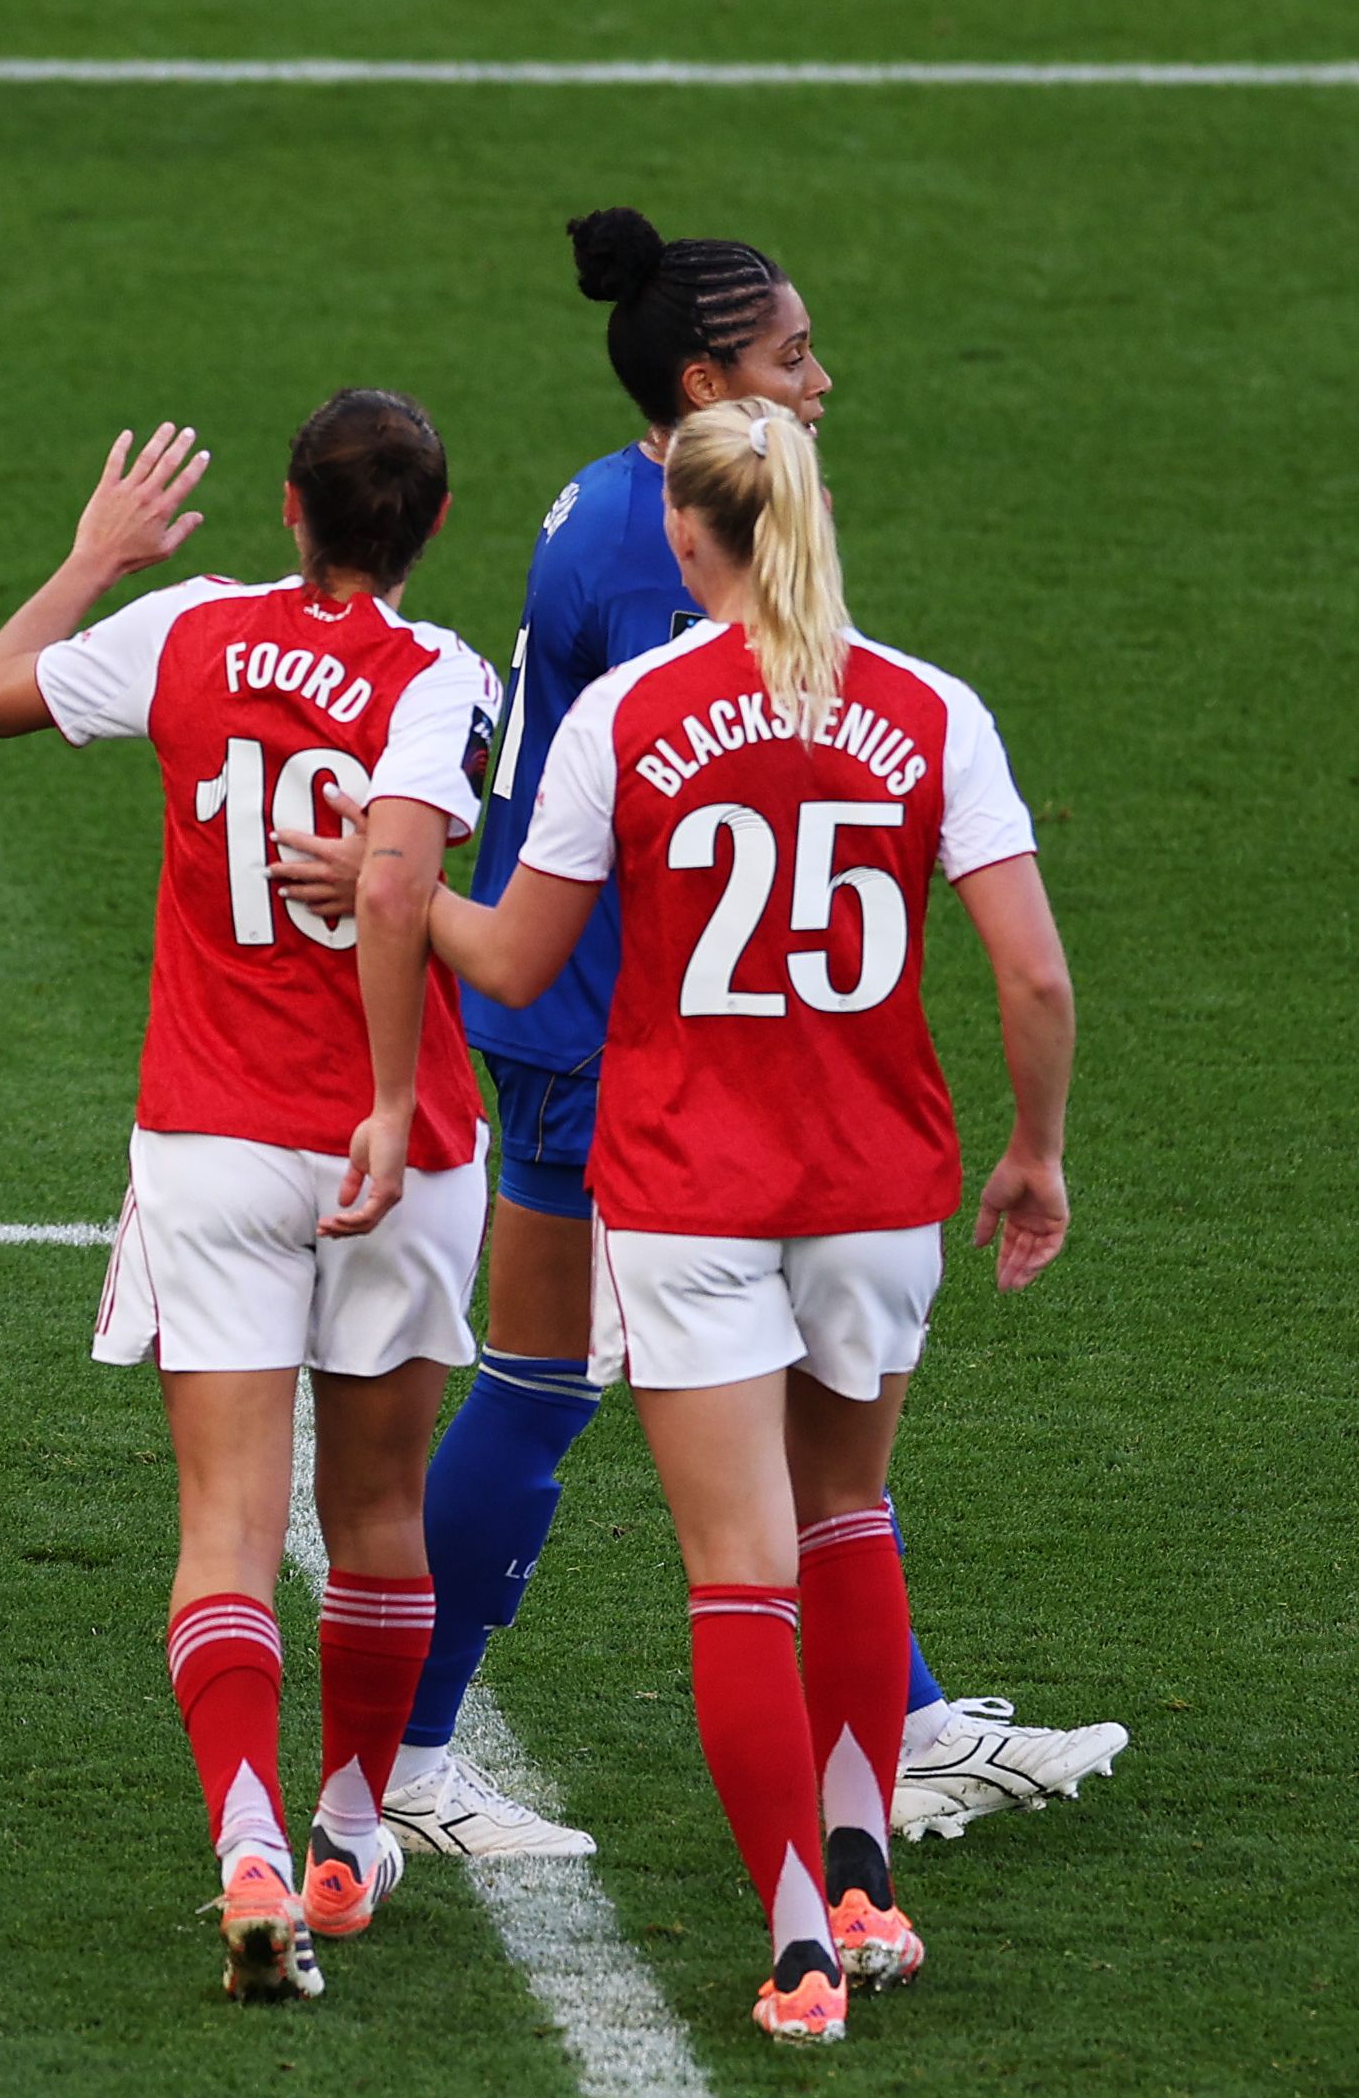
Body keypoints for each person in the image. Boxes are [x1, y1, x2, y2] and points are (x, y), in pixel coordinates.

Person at [348, 209, 1121, 1857]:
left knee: (712, 1419)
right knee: (563, 1391)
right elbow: (697, 802)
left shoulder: (633, 493)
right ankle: (413, 1763)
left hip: (596, 1014)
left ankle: (896, 1728)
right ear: (707, 380)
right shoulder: (663, 550)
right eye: (788, 358)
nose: (821, 381)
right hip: (609, 1034)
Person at [424, 399, 1076, 2043]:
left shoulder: (631, 716)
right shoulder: (934, 710)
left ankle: (797, 1944)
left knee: (739, 1573)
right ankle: (868, 1872)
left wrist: (390, 892)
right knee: (849, 1510)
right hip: (875, 1187)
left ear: (689, 539)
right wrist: (1037, 1155)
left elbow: (508, 963)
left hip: (687, 1188)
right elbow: (1035, 970)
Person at [0, 393, 500, 2000]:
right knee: (381, 1517)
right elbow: (400, 881)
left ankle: (246, 1838)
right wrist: (396, 1103)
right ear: (433, 527)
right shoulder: (444, 675)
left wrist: (89, 560)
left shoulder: (188, 632)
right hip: (393, 1156)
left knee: (227, 1526)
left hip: (208, 1141)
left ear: (286, 509)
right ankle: (345, 1831)